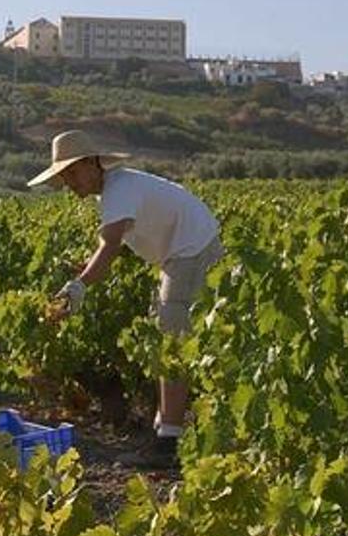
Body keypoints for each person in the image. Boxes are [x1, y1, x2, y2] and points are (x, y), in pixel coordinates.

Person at [27, 130, 223, 468]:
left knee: (172, 344)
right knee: (167, 340)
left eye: (71, 173)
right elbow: (124, 240)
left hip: (192, 251)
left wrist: (79, 286)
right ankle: (165, 431)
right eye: (63, 177)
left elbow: (112, 245)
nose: (68, 183)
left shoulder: (118, 190)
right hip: (185, 251)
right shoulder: (118, 189)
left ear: (92, 164)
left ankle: (169, 444)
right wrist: (88, 270)